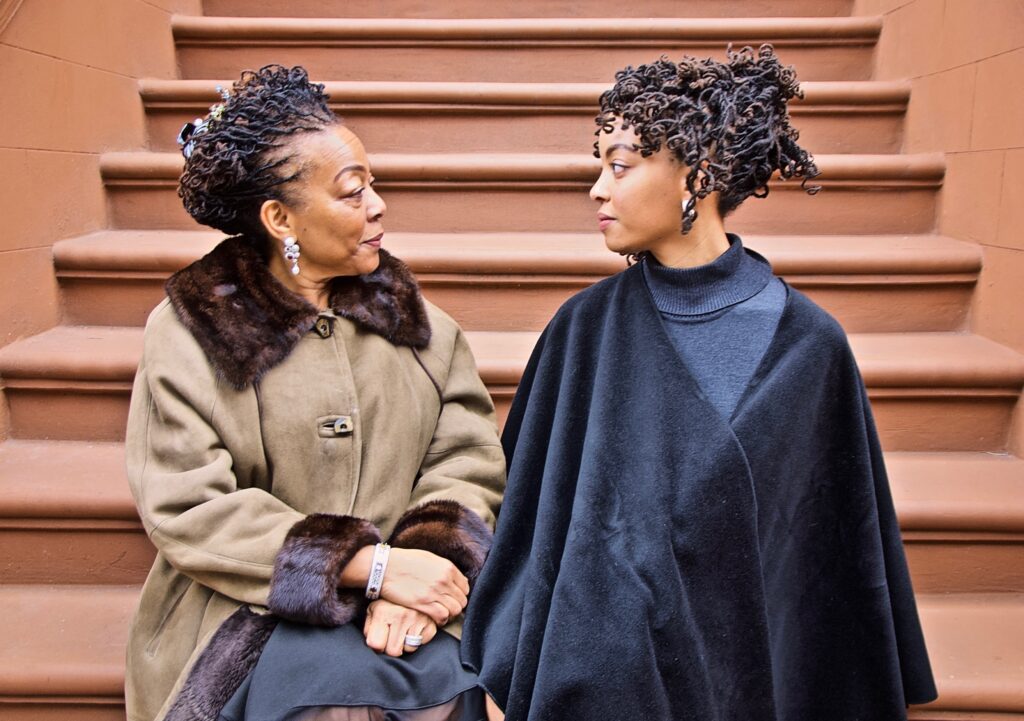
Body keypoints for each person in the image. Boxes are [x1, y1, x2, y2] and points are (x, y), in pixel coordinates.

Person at [462, 45, 938, 720]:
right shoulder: (583, 330)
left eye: (620, 165)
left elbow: (826, 559)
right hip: (599, 682)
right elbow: (531, 524)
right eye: (600, 163)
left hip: (744, 681)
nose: (598, 187)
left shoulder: (809, 346)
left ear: (701, 173)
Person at [123, 65, 505, 721]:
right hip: (247, 608)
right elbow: (186, 500)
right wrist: (367, 565)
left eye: (372, 185)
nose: (378, 205)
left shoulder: (425, 331)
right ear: (280, 218)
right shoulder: (192, 332)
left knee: (461, 691)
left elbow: (466, 462)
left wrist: (414, 570)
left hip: (408, 604)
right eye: (352, 192)